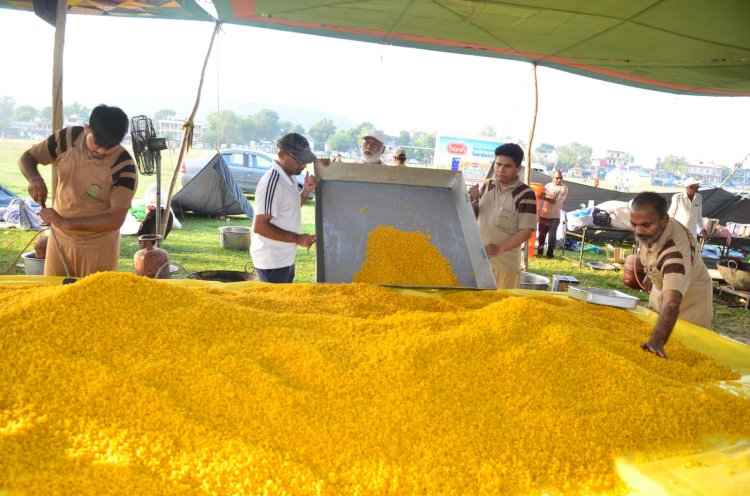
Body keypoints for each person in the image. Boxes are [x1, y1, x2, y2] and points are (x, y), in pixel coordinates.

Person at [18, 104, 137, 277]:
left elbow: (115, 218)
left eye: (108, 148)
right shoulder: (67, 138)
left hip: (98, 246)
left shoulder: (124, 166)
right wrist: (34, 179)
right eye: (97, 145)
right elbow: (27, 157)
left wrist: (63, 221)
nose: (101, 152)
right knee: (54, 297)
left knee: (91, 300)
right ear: (86, 128)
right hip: (59, 240)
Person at [630, 192, 713, 358]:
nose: (639, 231)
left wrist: (657, 341)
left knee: (683, 350)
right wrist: (650, 274)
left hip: (689, 303)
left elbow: (672, 303)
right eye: (634, 224)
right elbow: (650, 252)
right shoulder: (649, 227)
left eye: (645, 225)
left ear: (664, 220)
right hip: (663, 290)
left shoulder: (675, 253)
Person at [250, 133, 317, 283]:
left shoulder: (290, 177)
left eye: (305, 161)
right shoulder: (271, 183)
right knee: (273, 304)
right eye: (299, 160)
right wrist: (297, 238)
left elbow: (288, 208)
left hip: (284, 257)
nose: (303, 165)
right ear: (281, 155)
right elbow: (260, 226)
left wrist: (305, 191)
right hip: (272, 260)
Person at [468, 143, 537, 289]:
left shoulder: (525, 193)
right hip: (479, 262)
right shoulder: (487, 186)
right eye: (498, 164)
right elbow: (475, 218)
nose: (501, 169)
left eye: (507, 166)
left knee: (499, 308)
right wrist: (473, 200)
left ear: (518, 168)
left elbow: (526, 232)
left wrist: (499, 248)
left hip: (505, 266)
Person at [537, 170, 568, 258]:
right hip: (544, 214)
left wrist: (543, 197)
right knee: (541, 235)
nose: (559, 180)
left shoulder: (563, 188)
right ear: (552, 178)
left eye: (560, 178)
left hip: (555, 216)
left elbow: (556, 202)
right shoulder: (548, 186)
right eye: (557, 178)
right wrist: (540, 193)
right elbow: (541, 194)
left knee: (551, 237)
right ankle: (540, 252)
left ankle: (550, 254)